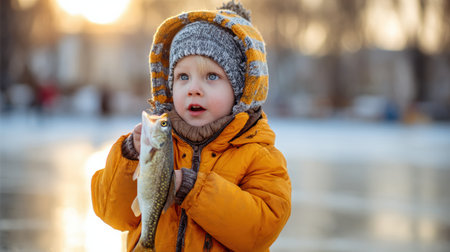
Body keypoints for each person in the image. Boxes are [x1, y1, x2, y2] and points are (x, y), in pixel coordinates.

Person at [91, 1, 291, 251]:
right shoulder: (160, 143)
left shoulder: (259, 156)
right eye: (183, 77)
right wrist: (130, 156)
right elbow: (113, 213)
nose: (194, 89)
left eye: (212, 77)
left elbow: (260, 229)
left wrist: (191, 188)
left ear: (240, 90)